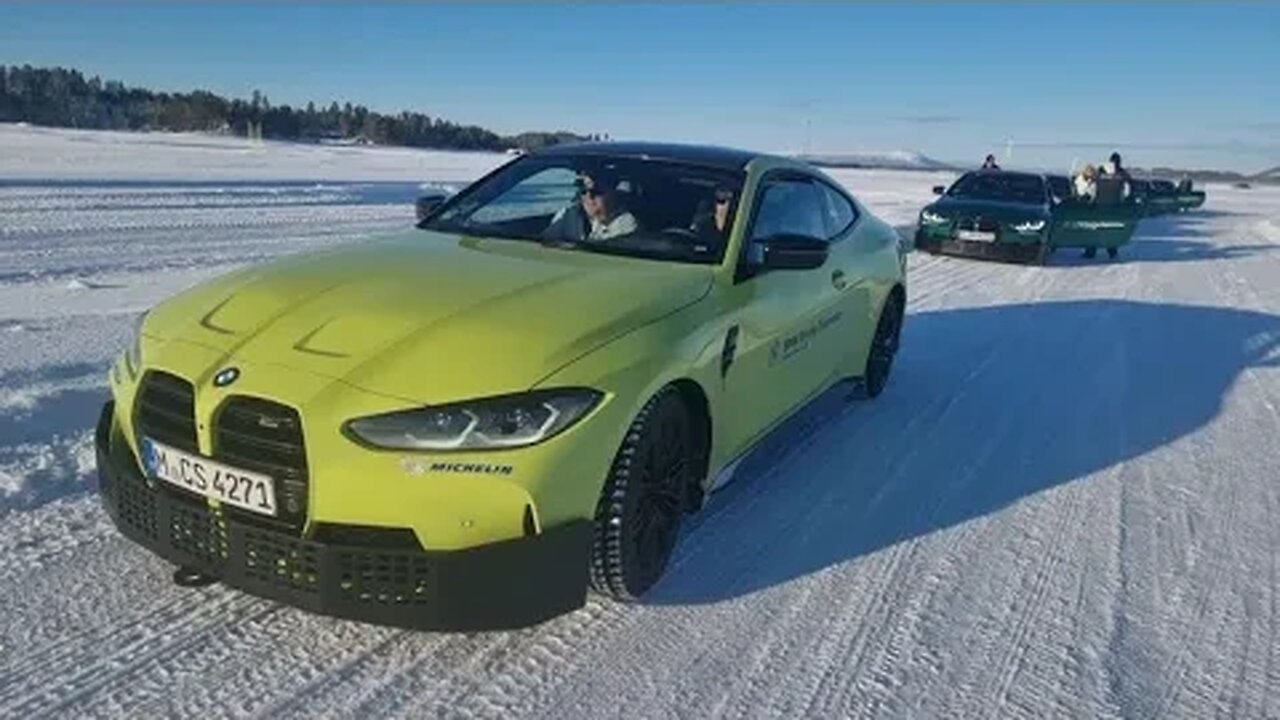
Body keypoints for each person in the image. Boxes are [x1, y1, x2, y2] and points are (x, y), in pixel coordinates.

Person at [543, 168, 638, 243]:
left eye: (595, 192)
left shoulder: (626, 223)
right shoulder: (568, 214)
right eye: (583, 191)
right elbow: (545, 241)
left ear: (613, 195)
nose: (589, 196)